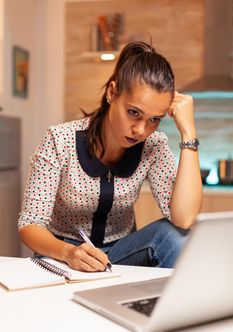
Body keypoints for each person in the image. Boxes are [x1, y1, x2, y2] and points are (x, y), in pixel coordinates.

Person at [18, 41, 203, 272]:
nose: (141, 130)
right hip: (62, 253)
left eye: (155, 119)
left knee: (176, 237)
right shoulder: (59, 139)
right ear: (112, 92)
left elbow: (184, 220)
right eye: (133, 113)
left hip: (121, 254)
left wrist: (189, 132)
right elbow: (30, 224)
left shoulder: (154, 145)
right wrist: (69, 253)